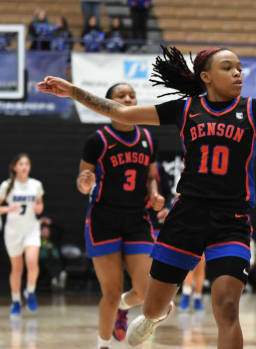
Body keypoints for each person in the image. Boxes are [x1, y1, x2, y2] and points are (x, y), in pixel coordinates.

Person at [38, 44, 256, 349]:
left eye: (239, 68)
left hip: (232, 220)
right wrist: (74, 91)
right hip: (185, 218)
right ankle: (152, 318)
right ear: (205, 76)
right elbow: (122, 112)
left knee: (227, 306)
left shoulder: (254, 109)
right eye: (227, 67)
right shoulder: (186, 109)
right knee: (153, 305)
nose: (236, 73)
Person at [76, 82, 165, 349]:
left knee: (145, 291)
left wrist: (155, 194)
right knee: (111, 292)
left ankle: (123, 308)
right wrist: (84, 182)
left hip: (137, 219)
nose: (128, 99)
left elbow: (150, 177)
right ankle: (103, 344)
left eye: (132, 95)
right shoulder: (97, 141)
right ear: (108, 105)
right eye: (121, 96)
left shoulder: (148, 139)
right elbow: (82, 184)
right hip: (104, 220)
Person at [0, 154, 45, 317]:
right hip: (13, 231)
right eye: (21, 164)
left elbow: (40, 203)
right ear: (15, 167)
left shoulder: (36, 184)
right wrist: (7, 209)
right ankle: (16, 300)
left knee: (32, 262)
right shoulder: (6, 186)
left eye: (27, 164)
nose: (24, 167)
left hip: (31, 228)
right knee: (17, 269)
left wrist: (39, 208)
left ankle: (30, 292)